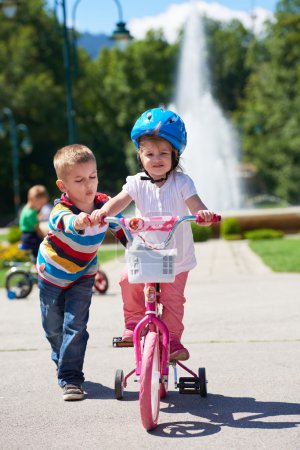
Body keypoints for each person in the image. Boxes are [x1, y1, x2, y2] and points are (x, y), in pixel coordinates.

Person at [90, 107, 215, 362]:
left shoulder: (182, 182)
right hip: (146, 253)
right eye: (149, 154)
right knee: (127, 280)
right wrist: (102, 212)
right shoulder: (136, 183)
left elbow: (195, 205)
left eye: (163, 153)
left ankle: (173, 341)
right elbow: (118, 202)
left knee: (172, 300)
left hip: (177, 256)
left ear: (175, 155)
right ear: (140, 155)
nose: (156, 159)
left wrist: (203, 215)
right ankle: (133, 324)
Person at [37, 144, 126, 401]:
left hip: (83, 275)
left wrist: (133, 245)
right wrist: (77, 221)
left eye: (93, 176)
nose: (89, 185)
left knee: (75, 326)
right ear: (63, 186)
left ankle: (71, 378)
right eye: (79, 180)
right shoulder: (61, 210)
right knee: (53, 329)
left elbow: (119, 227)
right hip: (52, 274)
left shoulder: (104, 205)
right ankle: (62, 359)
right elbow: (60, 222)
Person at [19, 185, 49, 259]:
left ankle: (35, 262)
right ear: (33, 199)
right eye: (41, 203)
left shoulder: (25, 209)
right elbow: (37, 229)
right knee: (42, 247)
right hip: (30, 236)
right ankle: (37, 264)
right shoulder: (32, 213)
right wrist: (44, 237)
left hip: (25, 236)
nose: (41, 206)